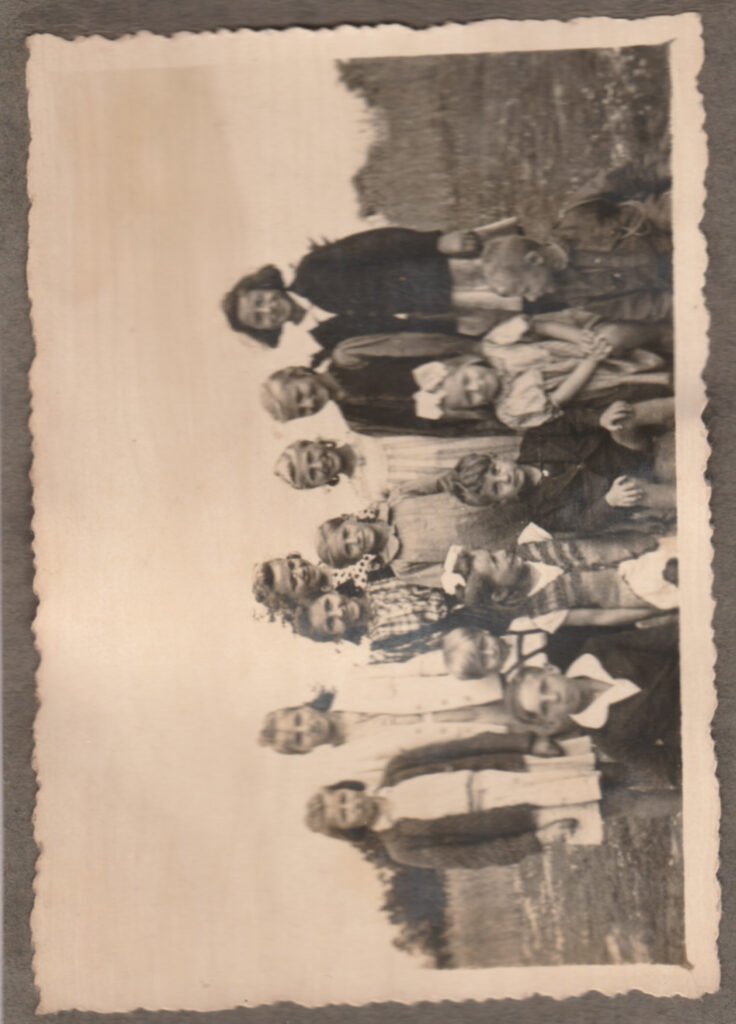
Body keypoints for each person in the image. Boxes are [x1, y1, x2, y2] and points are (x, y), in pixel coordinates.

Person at [304, 735, 606, 869]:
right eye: (344, 815)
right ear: (350, 830)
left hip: (510, 768)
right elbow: (474, 855)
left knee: (604, 769)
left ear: (347, 788)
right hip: (522, 815)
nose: (352, 806)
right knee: (610, 802)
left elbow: (465, 746)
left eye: (343, 799)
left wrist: (525, 742)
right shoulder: (402, 847)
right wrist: (538, 839)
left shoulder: (398, 769)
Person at [222, 223, 525, 350]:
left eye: (260, 301)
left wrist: (435, 242)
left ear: (266, 287)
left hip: (436, 274)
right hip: (441, 314)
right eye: (259, 318)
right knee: (520, 310)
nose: (268, 310)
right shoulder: (323, 336)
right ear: (267, 330)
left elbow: (376, 244)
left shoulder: (312, 270)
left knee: (516, 267)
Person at [438, 408, 676, 535]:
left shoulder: (535, 440)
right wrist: (609, 502)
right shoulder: (542, 512)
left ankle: (690, 402)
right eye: (497, 487)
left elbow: (569, 420)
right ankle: (689, 497)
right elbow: (584, 522)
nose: (505, 477)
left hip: (625, 445)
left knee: (623, 415)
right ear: (502, 502)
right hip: (627, 483)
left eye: (495, 469)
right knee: (630, 492)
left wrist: (599, 419)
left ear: (497, 457)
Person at [480, 169, 672, 323]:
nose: (532, 299)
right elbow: (645, 306)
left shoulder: (578, 214)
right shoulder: (577, 296)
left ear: (535, 259)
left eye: (527, 289)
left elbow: (633, 173)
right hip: (676, 275)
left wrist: (667, 174)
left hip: (672, 226)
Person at [411, 318, 670, 432]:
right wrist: (591, 362)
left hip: (581, 348)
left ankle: (666, 333)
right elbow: (560, 399)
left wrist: (579, 338)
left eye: (467, 380)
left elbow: (538, 325)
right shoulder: (509, 411)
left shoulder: (494, 346)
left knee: (614, 336)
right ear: (474, 408)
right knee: (650, 383)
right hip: (594, 382)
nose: (477, 386)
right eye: (470, 397)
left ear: (464, 365)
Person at [504, 621, 681, 786]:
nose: (554, 697)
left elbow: (672, 635)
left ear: (550, 670)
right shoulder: (609, 739)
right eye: (545, 708)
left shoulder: (598, 649)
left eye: (545, 686)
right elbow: (673, 768)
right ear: (550, 722)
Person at [441, 524, 677, 634]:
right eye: (495, 561)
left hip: (642, 548)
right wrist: (652, 611)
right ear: (499, 593)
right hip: (642, 591)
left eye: (492, 552)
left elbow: (587, 531)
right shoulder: (543, 611)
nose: (502, 552)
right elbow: (600, 617)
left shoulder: (530, 542)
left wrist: (644, 531)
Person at [314, 491, 524, 590]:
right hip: (505, 547)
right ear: (356, 560)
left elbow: (450, 482)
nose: (354, 540)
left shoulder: (398, 500)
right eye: (349, 549)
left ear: (349, 519)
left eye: (346, 533)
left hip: (502, 503)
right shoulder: (402, 567)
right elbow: (454, 575)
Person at [273, 433, 521, 502]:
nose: (319, 464)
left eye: (311, 456)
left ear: (314, 443)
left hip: (457, 442)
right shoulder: (367, 492)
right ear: (318, 484)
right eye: (313, 474)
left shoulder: (361, 432)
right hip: (453, 477)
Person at [292, 577, 486, 664]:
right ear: (337, 636)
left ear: (331, 592)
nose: (339, 612)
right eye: (331, 623)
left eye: (329, 604)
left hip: (474, 582)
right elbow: (439, 648)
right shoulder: (383, 646)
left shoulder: (378, 576)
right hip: (479, 625)